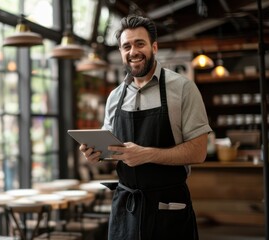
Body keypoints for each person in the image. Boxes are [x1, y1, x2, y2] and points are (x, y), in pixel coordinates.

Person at [79, 15, 212, 240]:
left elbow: (199, 151)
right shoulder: (114, 97)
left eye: (140, 44)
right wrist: (96, 154)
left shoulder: (183, 89)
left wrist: (145, 154)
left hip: (168, 207)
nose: (133, 52)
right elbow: (112, 148)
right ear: (121, 52)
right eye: (126, 46)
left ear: (154, 47)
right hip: (126, 208)